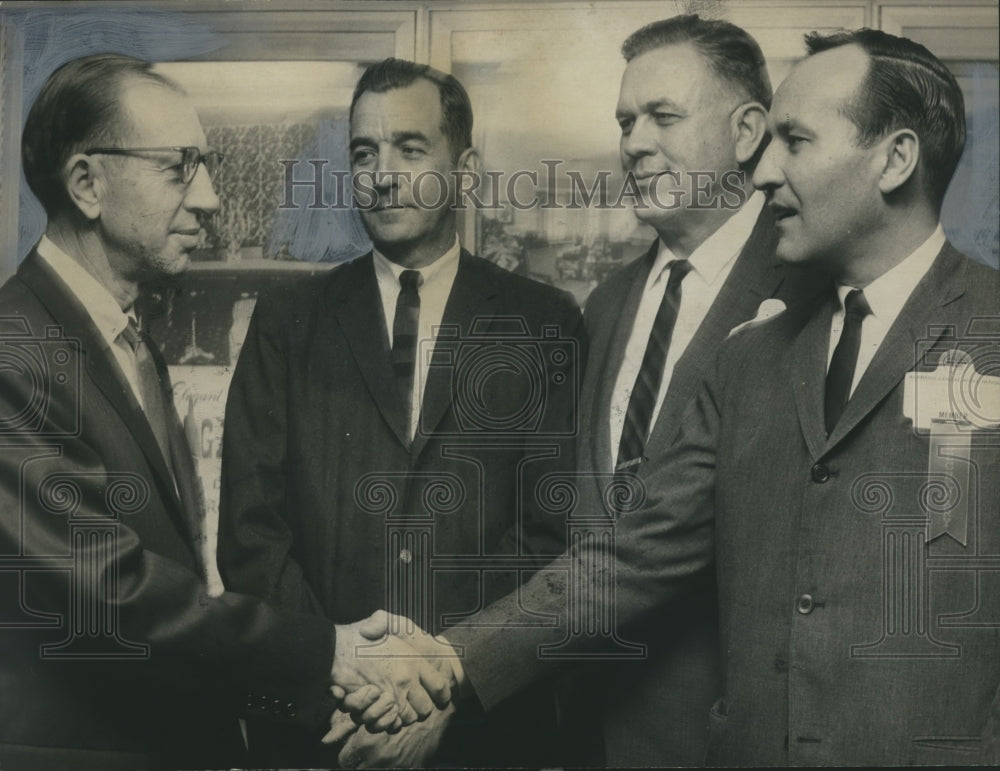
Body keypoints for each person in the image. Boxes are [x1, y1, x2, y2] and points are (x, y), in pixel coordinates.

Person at [345, 28, 1000, 767]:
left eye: (796, 140)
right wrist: (448, 662)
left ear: (896, 158)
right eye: (626, 122)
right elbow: (639, 548)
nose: (765, 171)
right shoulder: (753, 352)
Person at [0, 53, 449, 771]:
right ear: (87, 183)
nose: (209, 197)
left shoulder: (124, 338)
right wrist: (334, 650)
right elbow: (117, 597)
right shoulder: (12, 355)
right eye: (180, 167)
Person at [218, 57, 584, 767]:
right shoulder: (288, 321)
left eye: (410, 148)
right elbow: (250, 531)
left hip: (482, 731)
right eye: (364, 152)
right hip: (320, 730)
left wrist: (445, 683)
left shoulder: (546, 321)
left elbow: (553, 534)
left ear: (465, 169)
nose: (382, 172)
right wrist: (349, 675)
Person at [564, 16, 825, 766]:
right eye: (625, 121)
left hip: (723, 735)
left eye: (663, 116)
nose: (634, 142)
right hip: (585, 720)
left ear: (748, 133)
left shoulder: (811, 296)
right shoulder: (606, 302)